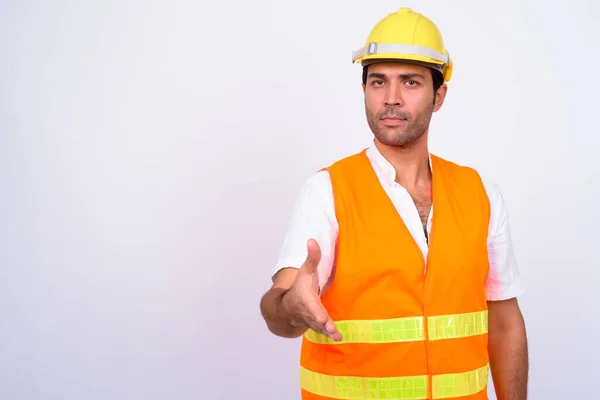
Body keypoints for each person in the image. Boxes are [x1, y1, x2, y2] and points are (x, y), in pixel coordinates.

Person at [259, 7, 528, 400]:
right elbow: (277, 311)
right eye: (378, 81)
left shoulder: (481, 193)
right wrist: (291, 307)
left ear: (440, 96)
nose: (391, 98)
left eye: (411, 82)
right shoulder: (328, 191)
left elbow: (504, 325)